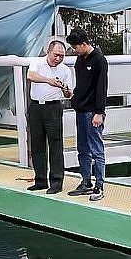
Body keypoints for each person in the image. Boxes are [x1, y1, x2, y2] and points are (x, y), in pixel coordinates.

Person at [25, 39, 73, 194]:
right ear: (48, 51)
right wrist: (49, 81)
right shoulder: (37, 63)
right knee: (37, 143)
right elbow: (30, 76)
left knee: (56, 144)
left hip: (53, 107)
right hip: (36, 106)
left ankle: (57, 181)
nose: (58, 58)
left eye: (61, 56)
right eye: (56, 55)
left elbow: (69, 94)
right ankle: (40, 180)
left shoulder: (65, 70)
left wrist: (65, 90)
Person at [66, 28, 108, 201]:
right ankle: (85, 182)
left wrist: (99, 112)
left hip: (93, 112)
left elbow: (101, 88)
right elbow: (81, 85)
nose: (74, 50)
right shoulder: (80, 60)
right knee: (82, 148)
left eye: (76, 47)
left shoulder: (99, 60)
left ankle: (99, 186)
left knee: (96, 149)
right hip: (81, 111)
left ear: (84, 44)